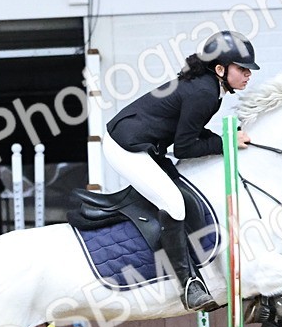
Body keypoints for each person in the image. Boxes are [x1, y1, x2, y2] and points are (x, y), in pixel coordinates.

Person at [102, 30, 260, 311]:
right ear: (221, 69)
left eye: (249, 70)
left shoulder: (210, 88)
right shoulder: (204, 92)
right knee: (173, 203)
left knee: (184, 196)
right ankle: (188, 285)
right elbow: (185, 148)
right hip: (125, 146)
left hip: (146, 145)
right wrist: (225, 143)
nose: (248, 75)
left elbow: (193, 132)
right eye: (243, 69)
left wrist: (223, 139)